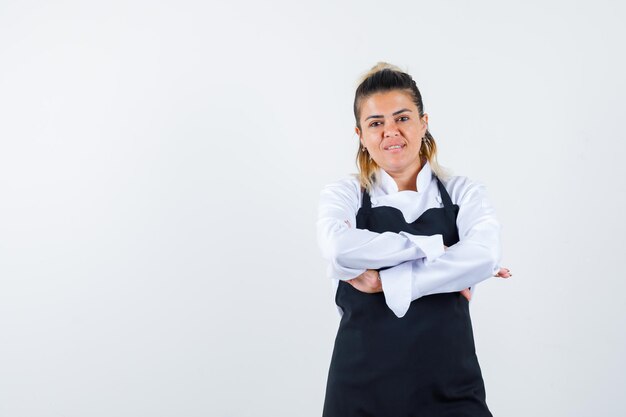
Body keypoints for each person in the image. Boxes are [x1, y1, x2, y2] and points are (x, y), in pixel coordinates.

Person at [316, 62, 512, 416]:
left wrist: (388, 280)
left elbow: (483, 256)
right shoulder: (344, 194)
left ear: (423, 122)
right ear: (360, 135)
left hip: (450, 387)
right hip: (359, 390)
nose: (391, 131)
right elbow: (338, 248)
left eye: (402, 118)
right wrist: (437, 248)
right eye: (376, 123)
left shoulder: (463, 192)